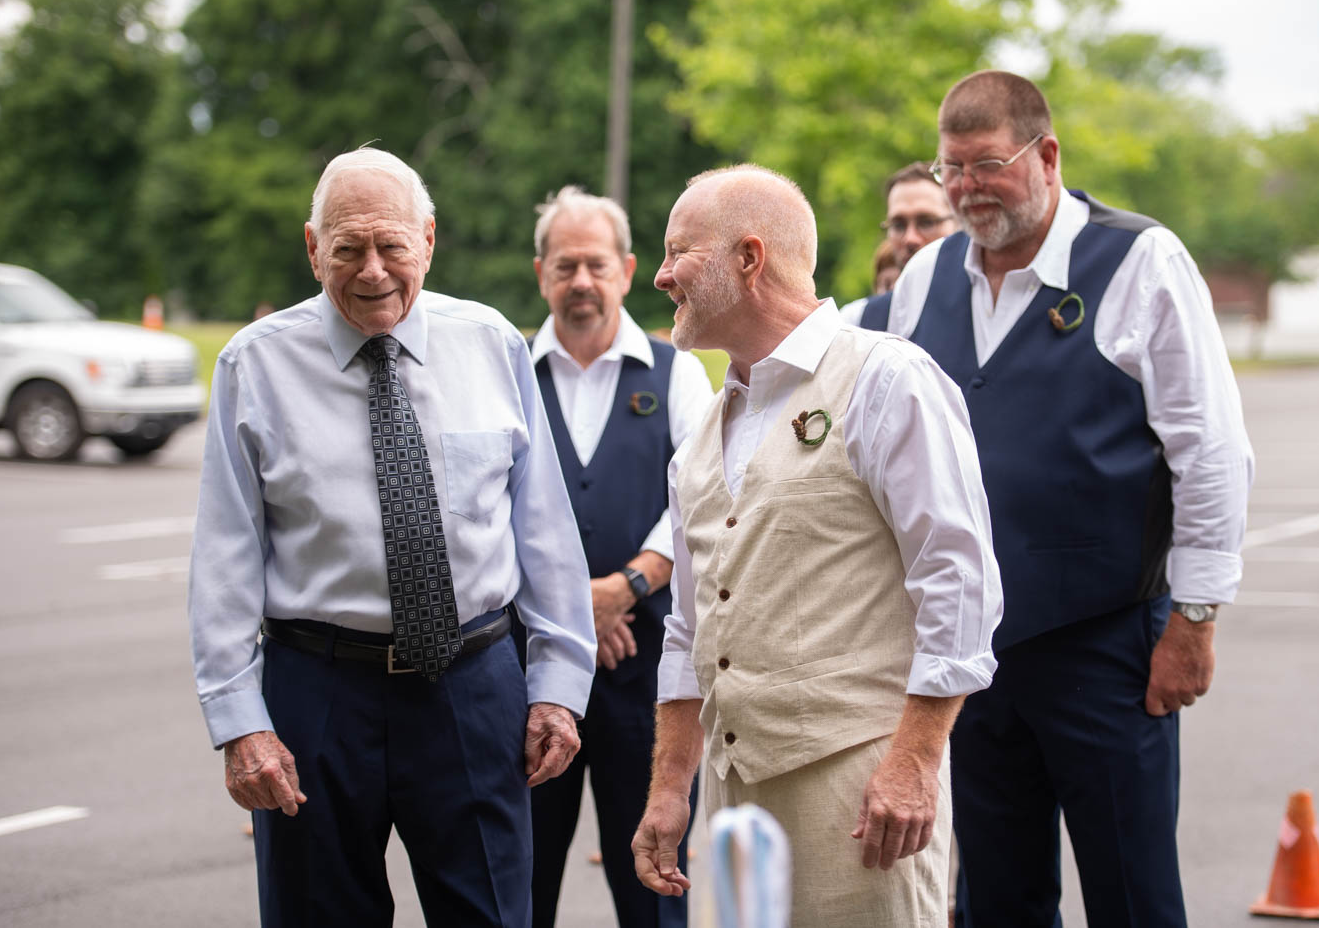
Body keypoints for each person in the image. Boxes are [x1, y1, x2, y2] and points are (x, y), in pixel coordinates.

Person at [187, 148, 596, 928]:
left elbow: (544, 533)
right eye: (348, 248)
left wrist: (557, 686)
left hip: (473, 684)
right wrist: (240, 721)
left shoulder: (491, 345)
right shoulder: (255, 364)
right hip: (317, 692)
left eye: (392, 245)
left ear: (428, 241)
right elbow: (224, 557)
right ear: (313, 248)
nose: (372, 270)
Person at [887, 71, 1255, 927]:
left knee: (1132, 892)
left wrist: (1195, 620)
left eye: (987, 165)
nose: (968, 188)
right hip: (969, 658)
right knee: (997, 898)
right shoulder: (925, 278)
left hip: (1107, 647)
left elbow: (1210, 451)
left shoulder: (1141, 260)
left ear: (1047, 155)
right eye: (952, 169)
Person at [630, 164, 1002, 926]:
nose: (661, 275)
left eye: (678, 252)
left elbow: (958, 580)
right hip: (733, 802)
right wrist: (670, 788)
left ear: (749, 258)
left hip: (864, 794)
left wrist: (914, 762)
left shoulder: (887, 378)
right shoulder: (702, 435)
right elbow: (689, 629)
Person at [522, 186, 714, 927]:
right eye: (565, 265)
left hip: (646, 677)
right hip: (531, 678)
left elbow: (701, 495)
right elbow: (486, 507)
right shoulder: (510, 373)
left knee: (652, 884)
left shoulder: (676, 371)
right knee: (519, 885)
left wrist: (628, 585)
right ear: (541, 273)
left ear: (627, 270)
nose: (581, 280)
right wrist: (577, 608)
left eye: (596, 264)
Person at [839, 162, 955, 329]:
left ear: (959, 223)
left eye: (927, 222)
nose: (910, 239)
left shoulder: (984, 306)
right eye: (898, 225)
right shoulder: (857, 321)